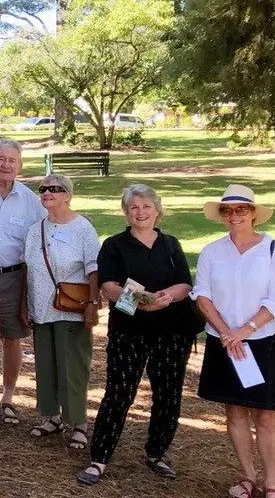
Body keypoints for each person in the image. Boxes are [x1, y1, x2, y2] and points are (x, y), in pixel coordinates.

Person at [78, 184, 199, 486]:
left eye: (147, 206)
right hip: (129, 331)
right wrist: (142, 304)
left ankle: (157, 453)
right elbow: (108, 286)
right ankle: (99, 458)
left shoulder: (171, 244)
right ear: (126, 212)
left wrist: (167, 297)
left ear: (158, 210)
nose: (141, 212)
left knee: (168, 395)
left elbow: (185, 284)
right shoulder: (114, 245)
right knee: (119, 394)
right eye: (134, 207)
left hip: (172, 332)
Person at [192, 185, 275, 498]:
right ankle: (248, 477)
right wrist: (226, 331)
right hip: (223, 341)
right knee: (234, 412)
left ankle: (271, 483)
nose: (234, 216)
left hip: (260, 342)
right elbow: (202, 295)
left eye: (241, 209)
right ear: (221, 215)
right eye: (227, 210)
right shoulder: (212, 251)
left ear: (253, 214)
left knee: (265, 414)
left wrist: (245, 330)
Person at [23, 173, 101, 452]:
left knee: (73, 366)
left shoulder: (83, 228)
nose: (47, 193)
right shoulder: (36, 230)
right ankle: (51, 416)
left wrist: (93, 304)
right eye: (43, 189)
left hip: (72, 309)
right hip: (41, 308)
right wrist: (26, 306)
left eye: (55, 189)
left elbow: (94, 268)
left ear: (67, 195)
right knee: (45, 365)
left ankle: (78, 423)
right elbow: (28, 269)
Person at [0, 139, 45, 425]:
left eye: (12, 160)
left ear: (20, 166)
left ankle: (7, 397)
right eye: (1, 159)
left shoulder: (29, 200)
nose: (6, 165)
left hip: (13, 277)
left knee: (11, 338)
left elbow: (41, 239)